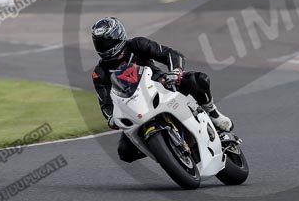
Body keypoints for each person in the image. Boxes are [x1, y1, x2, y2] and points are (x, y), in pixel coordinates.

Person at [91, 17, 233, 163]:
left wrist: (176, 72)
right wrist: (111, 118)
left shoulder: (137, 44)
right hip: (136, 107)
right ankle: (164, 150)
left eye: (107, 41)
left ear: (118, 36)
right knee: (125, 152)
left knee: (199, 79)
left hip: (163, 85)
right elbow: (106, 104)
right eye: (100, 43)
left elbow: (170, 54)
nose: (104, 46)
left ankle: (212, 113)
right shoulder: (100, 73)